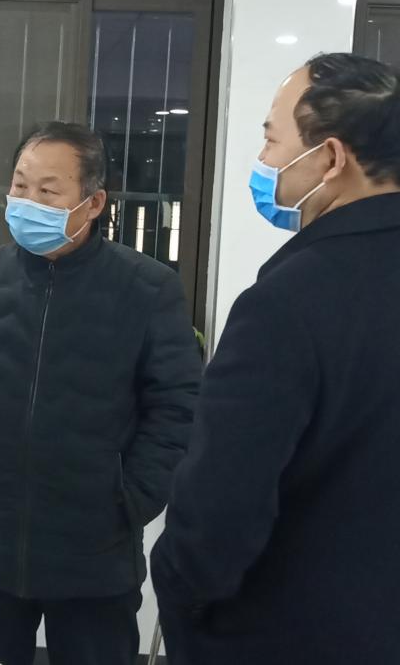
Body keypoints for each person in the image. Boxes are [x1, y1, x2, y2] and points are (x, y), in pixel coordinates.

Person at [0, 122, 201, 665]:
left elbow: (177, 405)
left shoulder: (145, 288)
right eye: (21, 186)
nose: (28, 202)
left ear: (94, 203)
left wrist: (134, 497)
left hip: (94, 554)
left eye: (48, 191)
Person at [152, 53, 400, 665]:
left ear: (331, 158)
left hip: (289, 631)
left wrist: (186, 597)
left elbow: (221, 507)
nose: (263, 161)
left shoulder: (289, 302)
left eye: (271, 140)